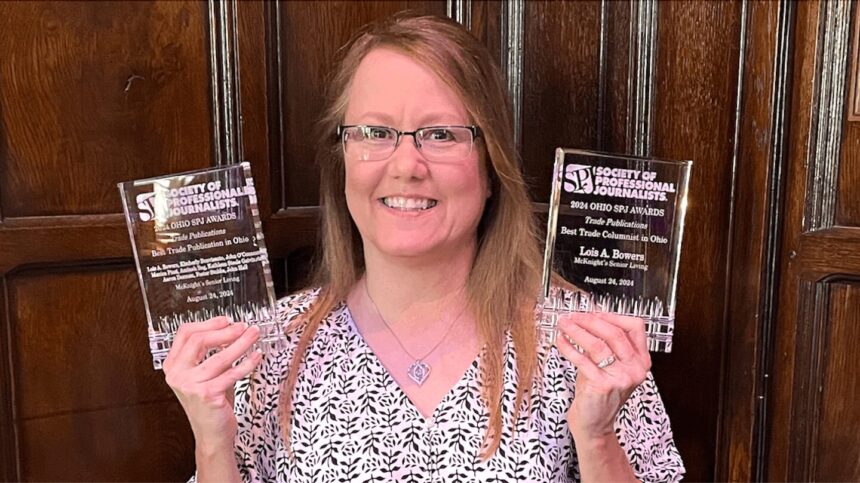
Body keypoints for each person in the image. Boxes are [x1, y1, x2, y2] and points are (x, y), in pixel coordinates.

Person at [164, 13, 684, 483]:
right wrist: (212, 446)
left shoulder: (586, 342)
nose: (406, 165)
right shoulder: (264, 351)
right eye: (374, 132)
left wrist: (596, 441)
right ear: (341, 161)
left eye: (440, 134)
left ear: (490, 168)